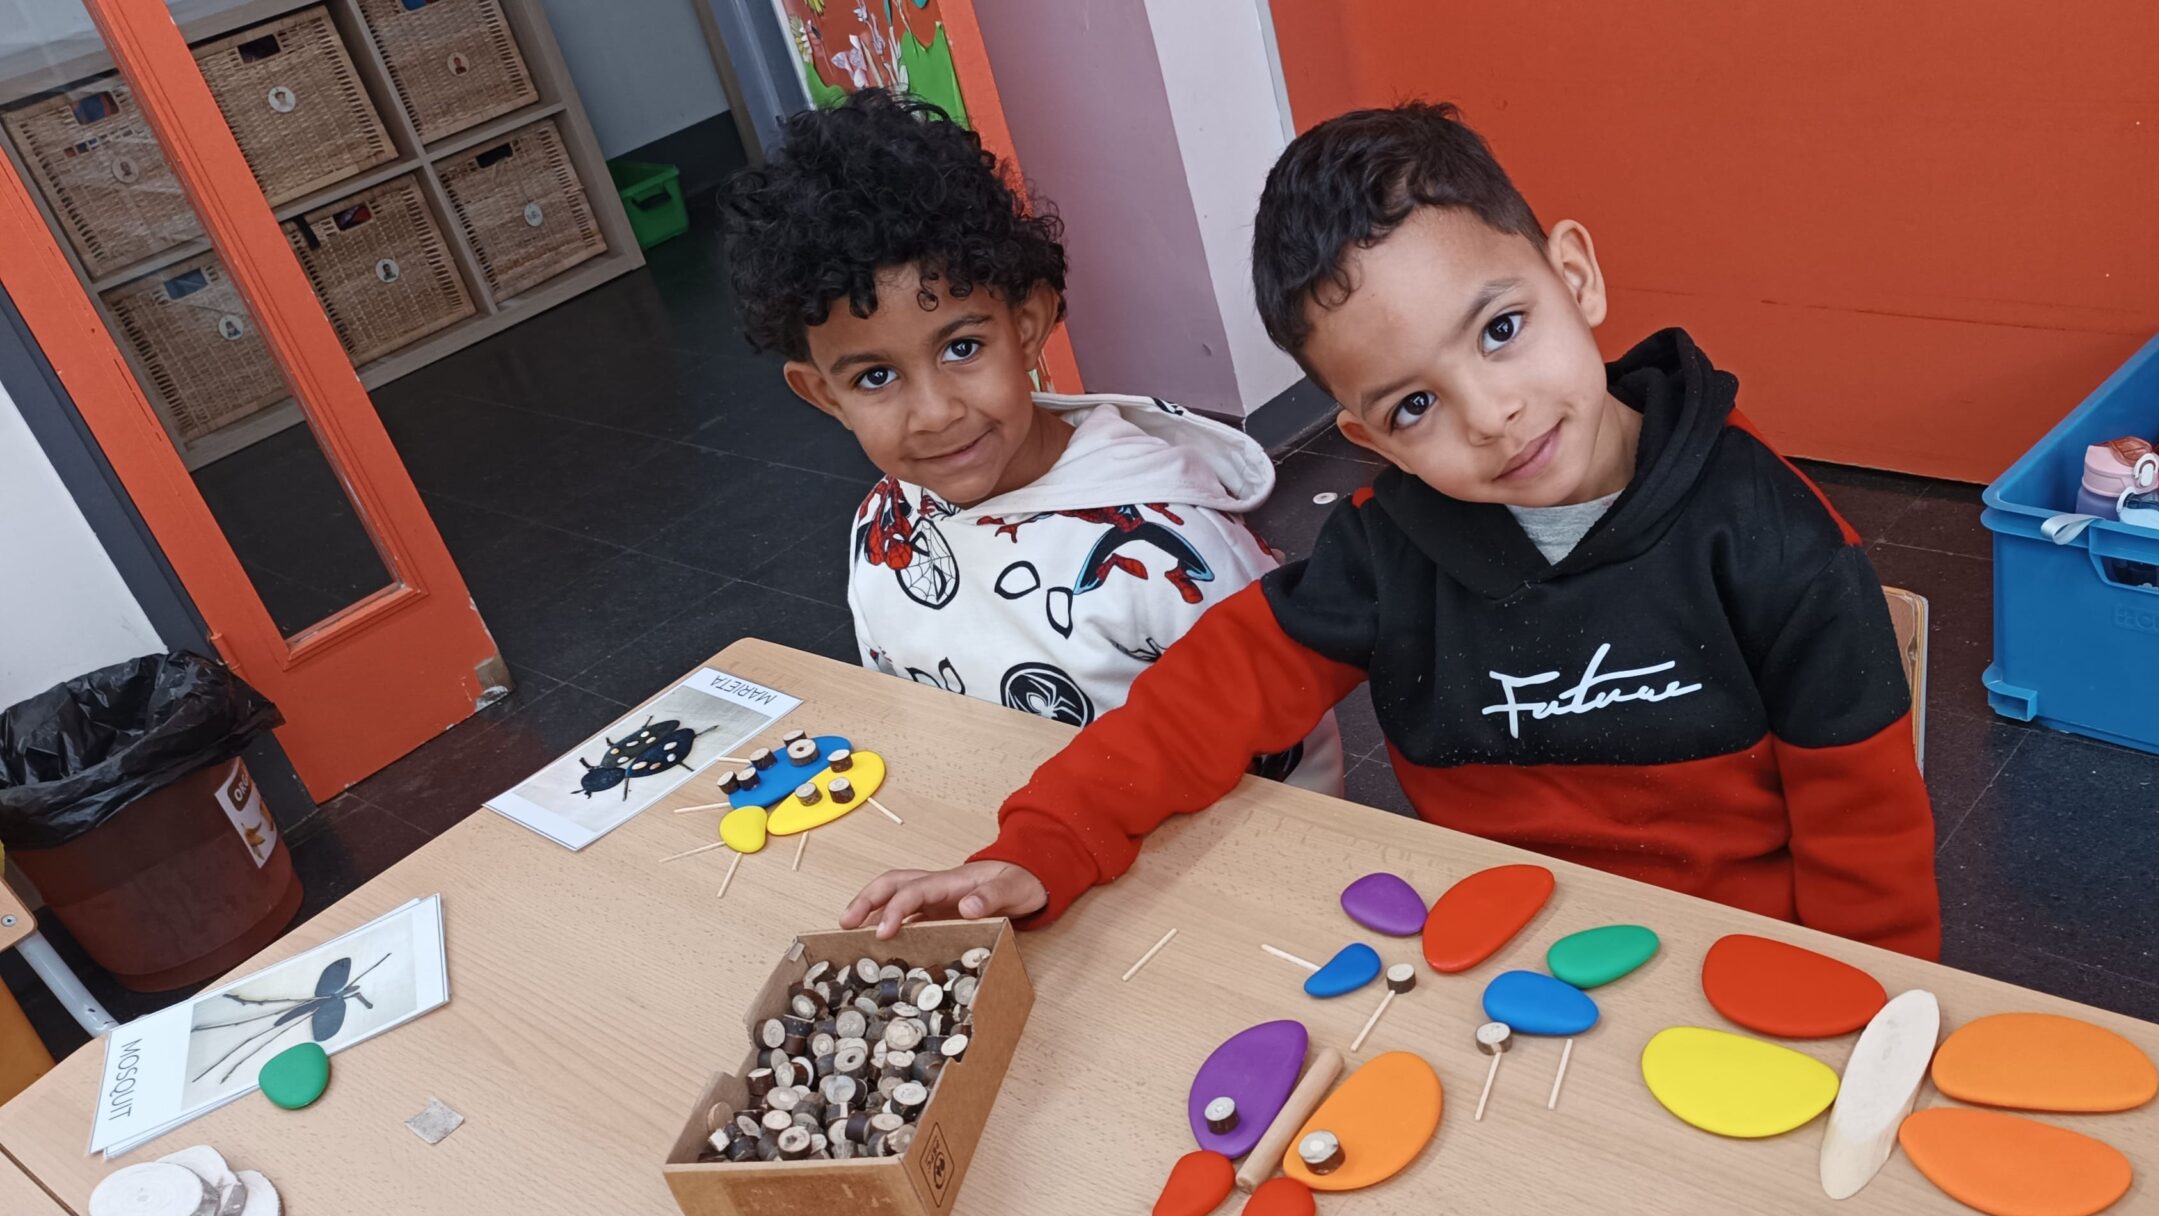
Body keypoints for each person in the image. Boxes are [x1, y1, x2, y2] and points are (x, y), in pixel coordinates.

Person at [846, 102, 1939, 959]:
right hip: (1497, 950)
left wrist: (1866, 1016)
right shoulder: (1388, 549)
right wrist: (1044, 846)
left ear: (1575, 277)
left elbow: (1868, 837)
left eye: (1501, 329)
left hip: (1738, 966)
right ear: (1370, 438)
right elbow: (1197, 701)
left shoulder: (1775, 538)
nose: (1491, 414)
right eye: (1416, 405)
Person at [720, 91, 1341, 790]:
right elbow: (906, 711)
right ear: (824, 395)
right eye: (875, 377)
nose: (934, 413)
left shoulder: (1175, 553)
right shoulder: (881, 528)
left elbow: (1294, 764)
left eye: (960, 347)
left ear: (1026, 325)